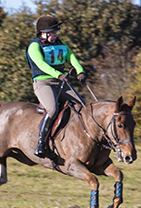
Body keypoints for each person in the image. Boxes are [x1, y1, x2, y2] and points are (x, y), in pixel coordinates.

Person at [26, 15, 87, 159]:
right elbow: (41, 64)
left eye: (55, 32)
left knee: (82, 107)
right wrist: (57, 74)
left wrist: (80, 71)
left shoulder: (61, 44)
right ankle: (41, 144)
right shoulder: (34, 46)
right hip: (43, 82)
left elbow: (72, 58)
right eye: (52, 33)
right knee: (53, 109)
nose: (55, 35)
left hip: (61, 83)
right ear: (43, 33)